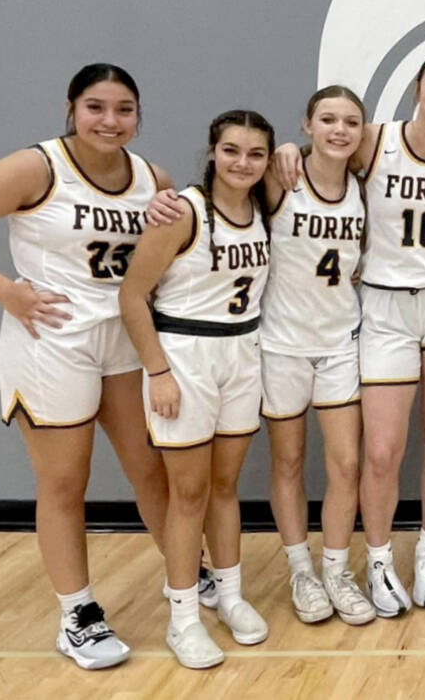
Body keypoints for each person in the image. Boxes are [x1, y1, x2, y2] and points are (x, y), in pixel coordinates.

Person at [0, 63, 195, 669]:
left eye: (124, 109)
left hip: (124, 341)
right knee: (64, 483)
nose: (110, 121)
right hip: (52, 342)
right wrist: (6, 291)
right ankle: (77, 613)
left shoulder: (152, 177)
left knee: (152, 472)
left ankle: (185, 577)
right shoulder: (36, 167)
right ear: (71, 108)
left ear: (139, 115)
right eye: (96, 107)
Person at [276, 53, 425, 617]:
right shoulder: (375, 141)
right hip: (383, 306)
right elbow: (320, 147)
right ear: (417, 89)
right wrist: (286, 152)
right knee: (382, 449)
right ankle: (376, 559)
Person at [119, 110, 274, 668]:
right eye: (232, 150)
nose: (243, 163)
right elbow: (132, 296)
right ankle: (183, 617)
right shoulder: (183, 210)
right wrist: (158, 371)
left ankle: (229, 596)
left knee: (225, 486)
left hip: (242, 350)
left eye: (256, 154)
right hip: (185, 355)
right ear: (212, 151)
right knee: (188, 494)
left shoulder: (263, 207)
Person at [260, 87, 374, 626]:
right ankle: (300, 569)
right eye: (327, 118)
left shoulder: (362, 188)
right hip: (282, 343)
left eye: (351, 121)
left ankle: (336, 570)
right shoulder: (280, 179)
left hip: (338, 342)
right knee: (287, 461)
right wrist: (279, 149)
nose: (339, 129)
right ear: (307, 124)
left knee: (346, 464)